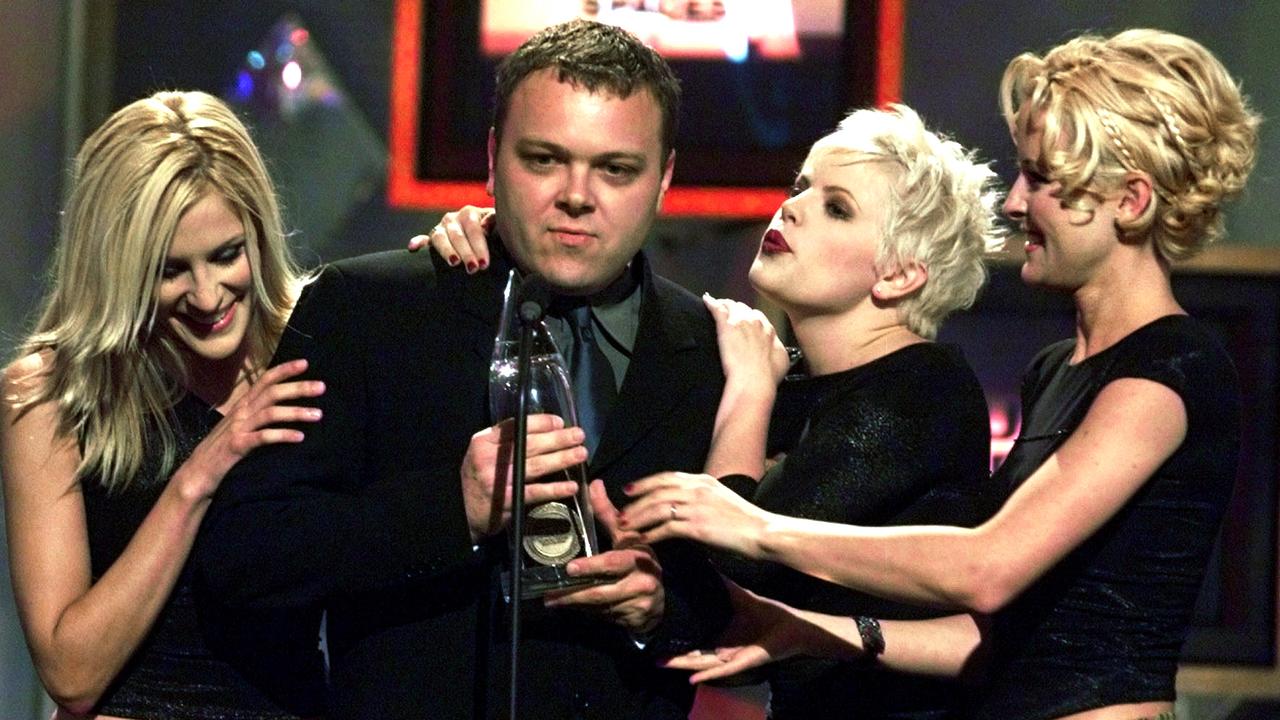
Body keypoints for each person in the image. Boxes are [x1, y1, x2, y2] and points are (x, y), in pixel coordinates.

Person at [621, 28, 1260, 720]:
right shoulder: (1055, 371)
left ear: (1130, 203)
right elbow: (989, 640)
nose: (1016, 203)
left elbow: (988, 568)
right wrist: (811, 631)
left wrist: (754, 526)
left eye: (1041, 179)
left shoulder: (1171, 367)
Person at [195, 19, 730, 719]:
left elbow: (741, 605)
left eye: (615, 168)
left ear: (663, 178)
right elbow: (247, 558)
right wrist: (455, 508)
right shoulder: (367, 309)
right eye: (543, 159)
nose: (576, 194)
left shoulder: (709, 348)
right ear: (492, 158)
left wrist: (659, 610)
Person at [420, 103, 1007, 719]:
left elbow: (732, 569)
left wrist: (751, 390)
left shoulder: (922, 388)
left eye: (837, 207)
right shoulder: (801, 383)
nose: (793, 207)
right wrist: (496, 236)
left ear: (899, 275)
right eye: (801, 186)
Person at [0, 91, 326, 719]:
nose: (208, 296)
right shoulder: (52, 397)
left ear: (257, 232)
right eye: (170, 270)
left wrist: (465, 243)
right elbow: (70, 674)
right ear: (118, 268)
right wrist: (199, 474)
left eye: (227, 255)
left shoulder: (316, 350)